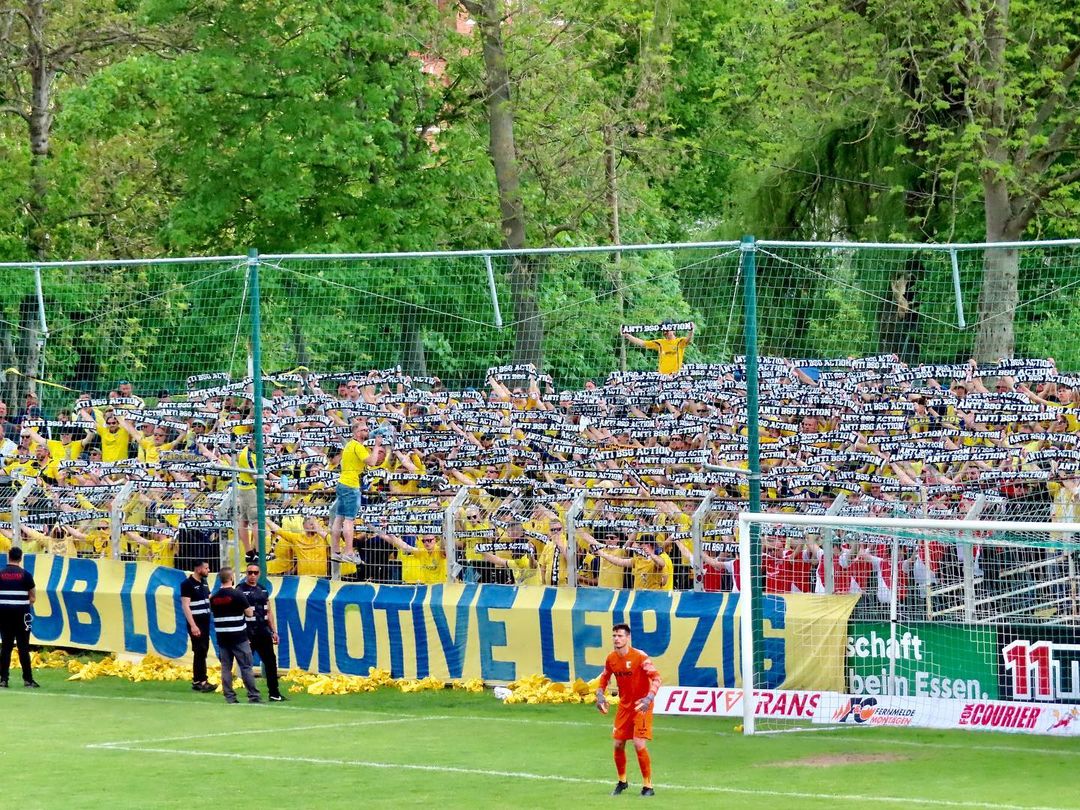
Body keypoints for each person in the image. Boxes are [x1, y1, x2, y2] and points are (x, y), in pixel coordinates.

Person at [596, 623, 661, 797]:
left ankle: (648, 786)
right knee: (618, 744)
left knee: (639, 743)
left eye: (620, 636)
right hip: (625, 706)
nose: (616, 639)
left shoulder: (640, 657)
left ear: (628, 638)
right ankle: (622, 781)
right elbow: (604, 677)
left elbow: (656, 678)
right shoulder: (611, 659)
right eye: (614, 636)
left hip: (642, 705)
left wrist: (649, 698)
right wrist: (600, 694)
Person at [330, 420, 384, 562]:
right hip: (351, 485)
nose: (367, 432)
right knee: (349, 520)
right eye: (364, 430)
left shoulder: (349, 445)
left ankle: (335, 551)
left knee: (339, 518)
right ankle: (348, 552)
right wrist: (377, 447)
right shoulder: (357, 446)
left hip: (342, 483)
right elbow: (372, 462)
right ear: (356, 432)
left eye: (367, 429)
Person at [209, 566, 261, 704]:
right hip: (238, 636)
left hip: (222, 637)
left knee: (226, 667)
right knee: (246, 666)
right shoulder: (238, 594)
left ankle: (230, 697)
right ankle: (253, 696)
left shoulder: (214, 597)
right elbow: (249, 613)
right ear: (231, 578)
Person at [237, 562, 285, 701]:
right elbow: (237, 612)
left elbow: (269, 611)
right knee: (247, 664)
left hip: (263, 631)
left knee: (270, 661)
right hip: (247, 632)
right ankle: (252, 694)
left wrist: (274, 631)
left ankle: (274, 693)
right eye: (249, 572)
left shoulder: (263, 590)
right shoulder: (240, 589)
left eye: (255, 573)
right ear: (246, 574)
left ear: (259, 574)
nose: (252, 575)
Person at [0, 547, 39, 688]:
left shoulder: (0, 574)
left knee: (6, 647)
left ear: (8, 557)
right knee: (23, 647)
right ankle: (28, 680)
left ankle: (3, 679)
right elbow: (33, 597)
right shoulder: (26, 575)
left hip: (3, 615)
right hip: (21, 615)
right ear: (20, 558)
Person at [180, 560, 215, 693]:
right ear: (198, 568)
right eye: (206, 568)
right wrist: (193, 625)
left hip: (205, 622)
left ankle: (198, 680)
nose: (208, 570)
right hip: (196, 622)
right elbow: (185, 605)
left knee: (203, 650)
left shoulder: (204, 582)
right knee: (199, 650)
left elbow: (209, 597)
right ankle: (201, 681)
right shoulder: (187, 584)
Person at [622, 323, 694, 375]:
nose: (665, 332)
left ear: (673, 330)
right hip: (662, 376)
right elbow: (643, 343)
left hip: (675, 375)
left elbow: (689, 340)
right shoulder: (660, 343)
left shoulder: (679, 342)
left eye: (667, 330)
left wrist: (691, 330)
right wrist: (628, 336)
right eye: (664, 331)